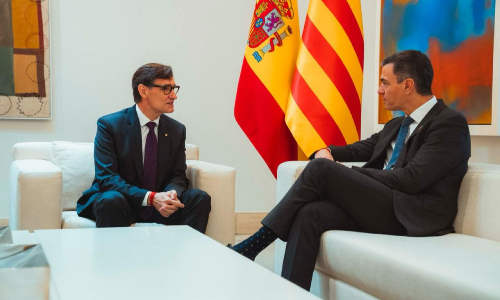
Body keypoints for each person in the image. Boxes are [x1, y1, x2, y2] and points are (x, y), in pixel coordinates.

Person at [228, 50, 471, 290]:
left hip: (411, 214)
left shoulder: (449, 123)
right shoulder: (398, 124)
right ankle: (291, 294)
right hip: (383, 206)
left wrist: (342, 172)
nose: (379, 90)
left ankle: (253, 245)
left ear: (408, 85)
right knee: (312, 212)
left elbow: (412, 180)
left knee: (323, 171)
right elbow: (358, 149)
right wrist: (325, 151)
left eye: (384, 83)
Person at [77, 63, 211, 232]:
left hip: (160, 208)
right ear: (143, 91)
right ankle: (111, 258)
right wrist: (150, 198)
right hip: (124, 203)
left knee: (199, 198)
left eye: (174, 88)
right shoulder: (110, 125)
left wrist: (171, 194)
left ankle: (185, 257)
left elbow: (178, 176)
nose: (173, 96)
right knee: (111, 199)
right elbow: (107, 178)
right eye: (166, 89)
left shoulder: (177, 130)